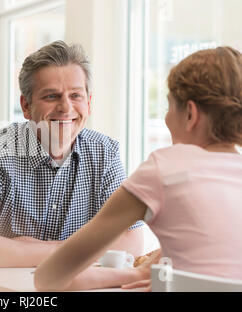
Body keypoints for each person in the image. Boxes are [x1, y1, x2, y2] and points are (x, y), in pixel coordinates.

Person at [34, 46, 242, 291]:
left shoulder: (164, 169)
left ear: (190, 113)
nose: (165, 119)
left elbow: (49, 278)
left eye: (169, 106)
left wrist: (138, 275)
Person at [0, 40, 145, 268]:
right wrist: (77, 249)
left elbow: (131, 242)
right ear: (26, 105)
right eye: (51, 96)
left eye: (76, 96)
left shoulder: (105, 154)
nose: (66, 108)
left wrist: (30, 249)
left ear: (88, 103)